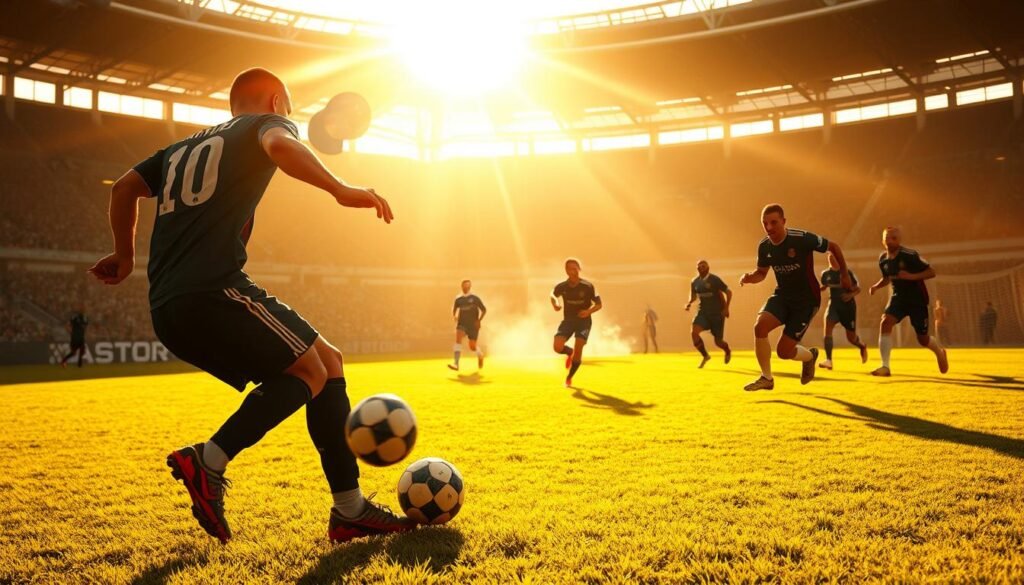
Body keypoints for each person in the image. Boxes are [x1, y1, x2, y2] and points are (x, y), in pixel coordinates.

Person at [89, 68, 410, 544]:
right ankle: (209, 462)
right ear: (277, 101)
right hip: (213, 289)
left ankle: (350, 511)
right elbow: (281, 146)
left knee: (328, 363)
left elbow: (122, 188)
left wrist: (124, 254)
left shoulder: (180, 149)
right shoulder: (266, 124)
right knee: (310, 373)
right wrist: (340, 188)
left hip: (169, 305)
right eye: (289, 111)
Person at [739, 204, 850, 391]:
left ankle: (810, 357)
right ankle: (766, 378)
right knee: (760, 326)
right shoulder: (764, 246)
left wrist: (845, 274)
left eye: (774, 222)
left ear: (784, 221)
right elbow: (761, 272)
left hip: (806, 301)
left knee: (783, 352)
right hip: (782, 295)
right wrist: (750, 278)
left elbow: (833, 247)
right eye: (765, 223)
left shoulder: (802, 239)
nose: (769, 228)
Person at [868, 226, 948, 376]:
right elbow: (887, 278)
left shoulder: (910, 255)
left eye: (894, 238)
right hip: (898, 298)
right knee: (885, 322)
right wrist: (876, 286)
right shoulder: (883, 259)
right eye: (887, 238)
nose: (890, 241)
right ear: (882, 240)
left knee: (922, 339)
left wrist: (910, 276)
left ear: (899, 240)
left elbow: (931, 272)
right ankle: (885, 366)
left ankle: (939, 352)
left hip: (917, 299)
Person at [551, 258, 602, 388]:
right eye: (571, 268)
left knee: (579, 346)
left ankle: (569, 378)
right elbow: (553, 294)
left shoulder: (588, 286)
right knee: (557, 347)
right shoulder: (562, 286)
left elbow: (599, 304)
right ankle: (569, 352)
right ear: (567, 271)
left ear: (579, 269)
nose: (574, 271)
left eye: (576, 268)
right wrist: (556, 304)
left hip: (583, 322)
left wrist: (588, 312)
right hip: (568, 321)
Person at [819, 252, 868, 370]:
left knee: (851, 338)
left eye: (834, 256)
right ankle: (829, 360)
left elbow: (858, 289)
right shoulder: (825, 274)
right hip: (833, 306)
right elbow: (824, 287)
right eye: (829, 256)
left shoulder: (846, 273)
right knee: (827, 328)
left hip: (847, 308)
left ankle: (861, 346)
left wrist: (850, 295)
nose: (831, 258)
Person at [684, 260, 732, 368]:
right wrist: (689, 303)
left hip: (717, 315)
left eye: (703, 266)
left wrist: (726, 308)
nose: (701, 268)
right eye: (699, 266)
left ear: (708, 267)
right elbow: (693, 296)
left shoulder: (715, 280)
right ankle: (705, 356)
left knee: (718, 342)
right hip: (703, 313)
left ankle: (727, 350)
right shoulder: (695, 282)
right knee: (694, 332)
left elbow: (728, 292)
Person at [449, 279, 486, 371]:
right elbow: (454, 310)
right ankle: (456, 364)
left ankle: (480, 355)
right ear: (462, 287)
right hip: (462, 323)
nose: (466, 287)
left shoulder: (475, 298)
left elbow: (484, 309)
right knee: (458, 339)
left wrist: (479, 320)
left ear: (470, 287)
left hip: (473, 325)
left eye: (468, 286)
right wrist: (455, 316)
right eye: (465, 286)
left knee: (472, 346)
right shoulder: (458, 299)